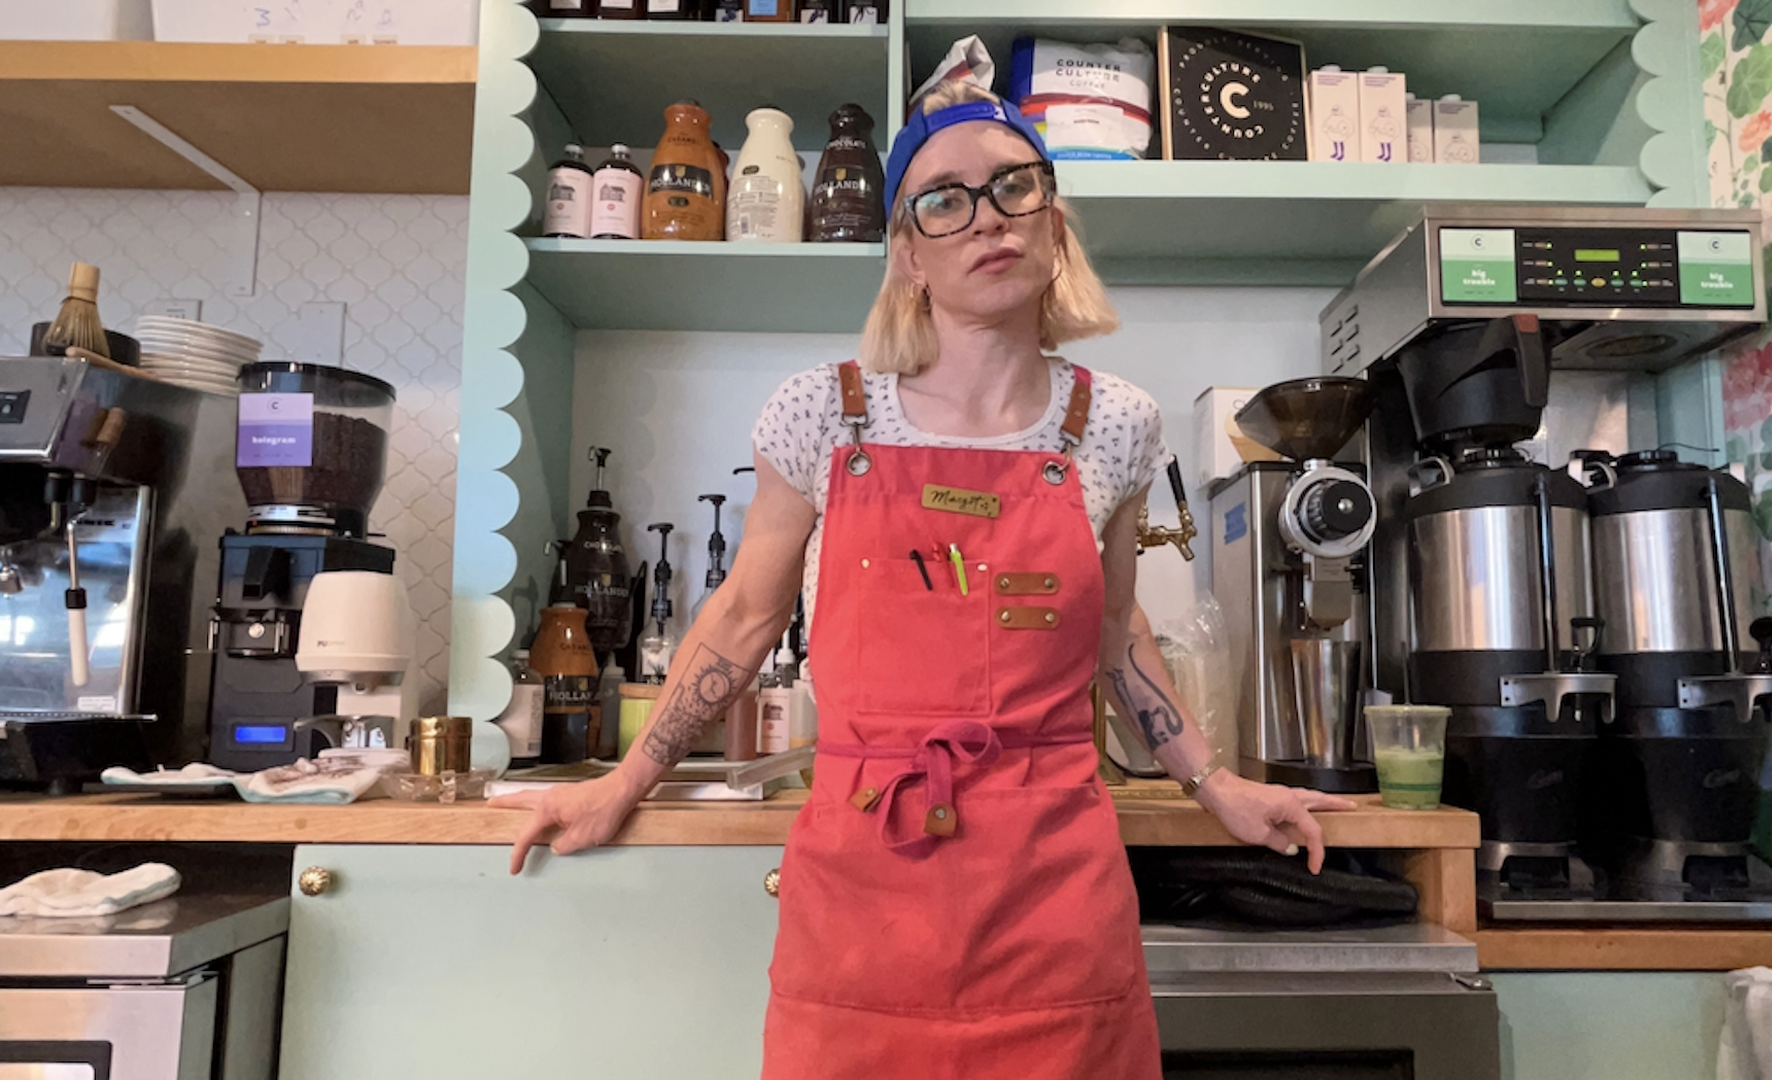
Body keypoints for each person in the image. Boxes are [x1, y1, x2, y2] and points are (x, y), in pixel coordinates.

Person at [491, 82, 1356, 1080]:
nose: (986, 217)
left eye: (1012, 187)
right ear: (907, 252)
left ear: (1054, 221)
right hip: (863, 884)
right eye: (944, 200)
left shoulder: (1116, 423)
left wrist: (1216, 785)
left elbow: (1115, 633)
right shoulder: (821, 415)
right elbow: (743, 619)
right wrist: (623, 783)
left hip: (1052, 892)